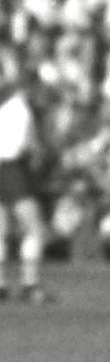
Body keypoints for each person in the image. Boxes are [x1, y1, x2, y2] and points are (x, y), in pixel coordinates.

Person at [0, 55, 55, 305]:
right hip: (10, 169)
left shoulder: (7, 107)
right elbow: (27, 147)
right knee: (35, 228)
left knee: (1, 230)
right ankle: (30, 284)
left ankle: (1, 285)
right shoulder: (21, 110)